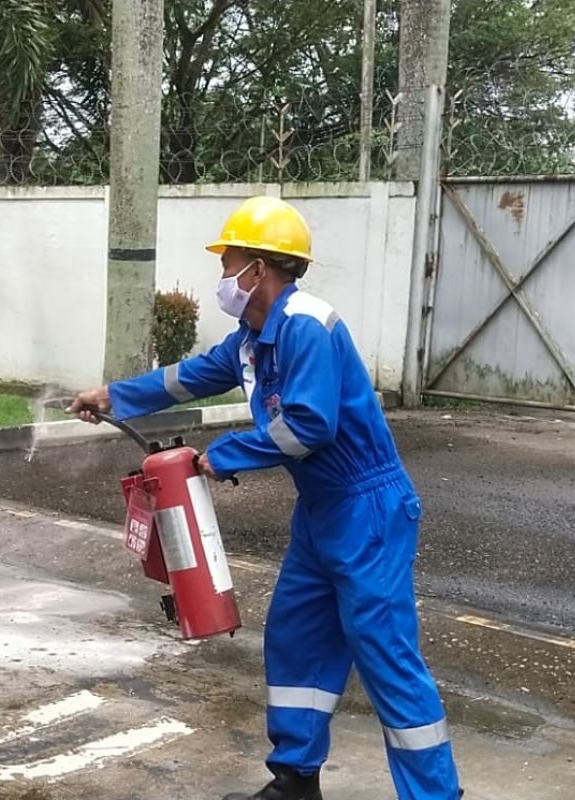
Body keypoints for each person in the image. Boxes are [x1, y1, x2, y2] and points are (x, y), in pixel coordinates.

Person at [70, 196, 462, 800]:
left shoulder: (307, 325)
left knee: (385, 654)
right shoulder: (254, 338)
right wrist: (112, 397)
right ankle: (295, 781)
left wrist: (220, 456)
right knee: (297, 636)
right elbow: (188, 376)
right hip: (322, 512)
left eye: (228, 264)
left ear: (259, 268)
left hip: (369, 509)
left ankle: (436, 795)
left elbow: (309, 426)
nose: (222, 277)